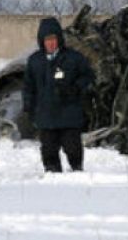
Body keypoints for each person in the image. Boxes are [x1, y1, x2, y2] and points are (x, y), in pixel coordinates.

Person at [23, 17, 94, 172]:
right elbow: (29, 86)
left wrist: (75, 88)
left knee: (73, 148)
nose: (51, 43)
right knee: (48, 151)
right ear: (42, 41)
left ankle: (77, 171)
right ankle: (53, 178)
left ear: (59, 39)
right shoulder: (35, 61)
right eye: (47, 39)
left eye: (54, 39)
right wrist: (28, 106)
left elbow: (88, 77)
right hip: (46, 116)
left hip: (69, 114)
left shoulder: (74, 58)